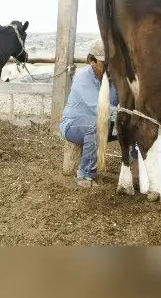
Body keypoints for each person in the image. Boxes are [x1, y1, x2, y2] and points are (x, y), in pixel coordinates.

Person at [59, 39, 138, 187]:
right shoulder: (83, 78)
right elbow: (100, 109)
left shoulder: (114, 78)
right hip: (73, 125)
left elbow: (125, 102)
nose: (109, 66)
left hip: (104, 123)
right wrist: (126, 114)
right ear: (92, 61)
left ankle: (136, 170)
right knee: (94, 125)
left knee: (136, 126)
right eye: (104, 63)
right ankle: (85, 174)